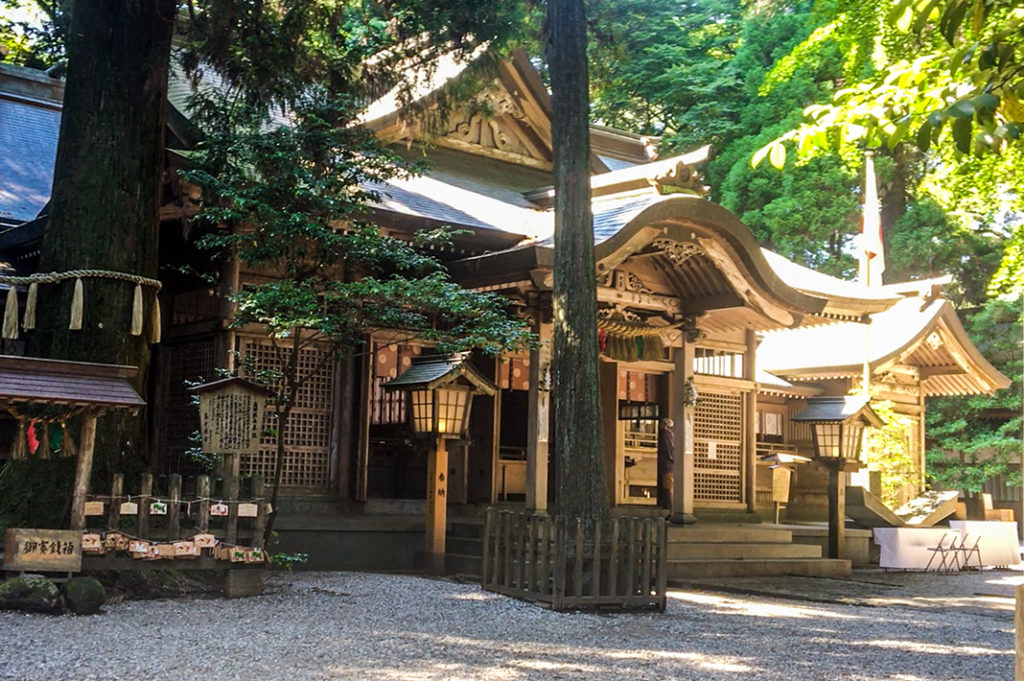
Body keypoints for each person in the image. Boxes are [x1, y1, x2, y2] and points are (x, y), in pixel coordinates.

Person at [657, 417, 675, 513]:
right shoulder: (671, 434)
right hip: (670, 465)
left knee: (669, 488)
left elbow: (669, 449)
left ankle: (672, 511)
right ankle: (671, 510)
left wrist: (671, 458)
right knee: (669, 488)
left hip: (667, 466)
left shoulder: (665, 434)